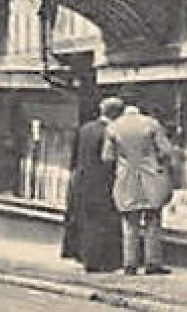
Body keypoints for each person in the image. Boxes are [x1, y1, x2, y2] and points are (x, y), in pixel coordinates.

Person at [102, 103, 176, 276]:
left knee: (129, 222)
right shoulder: (152, 124)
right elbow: (166, 150)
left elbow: (107, 157)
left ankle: (130, 263)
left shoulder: (113, 127)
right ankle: (153, 263)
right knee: (153, 220)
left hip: (126, 177)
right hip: (151, 176)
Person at [62, 97, 125, 273]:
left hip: (82, 181)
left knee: (87, 220)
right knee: (101, 222)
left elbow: (74, 157)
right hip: (102, 183)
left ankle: (86, 257)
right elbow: (108, 160)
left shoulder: (86, 129)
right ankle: (100, 262)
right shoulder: (110, 132)